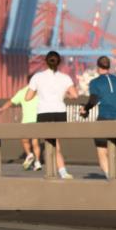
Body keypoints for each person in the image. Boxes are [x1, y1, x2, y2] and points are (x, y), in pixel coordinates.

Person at [26, 51, 76, 179]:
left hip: (44, 112)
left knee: (49, 143)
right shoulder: (65, 78)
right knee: (56, 143)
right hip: (60, 112)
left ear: (45, 62)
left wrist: (39, 92)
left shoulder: (37, 77)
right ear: (59, 62)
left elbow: (27, 97)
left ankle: (53, 172)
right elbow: (75, 95)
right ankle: (62, 171)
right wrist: (64, 94)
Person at [82, 56, 116, 180]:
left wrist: (86, 109)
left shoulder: (95, 82)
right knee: (113, 148)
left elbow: (93, 100)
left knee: (101, 151)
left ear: (98, 67)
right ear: (109, 66)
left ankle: (112, 176)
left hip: (103, 118)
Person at [0, 82, 41, 171]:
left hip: (28, 121)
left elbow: (11, 102)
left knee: (27, 141)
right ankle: (36, 161)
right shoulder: (39, 91)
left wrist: (2, 109)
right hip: (34, 120)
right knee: (33, 142)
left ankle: (31, 156)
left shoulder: (23, 92)